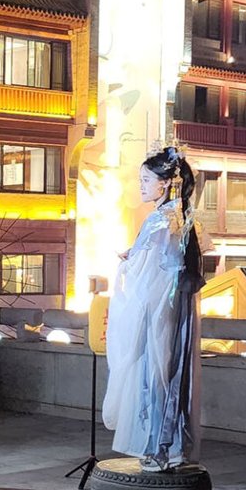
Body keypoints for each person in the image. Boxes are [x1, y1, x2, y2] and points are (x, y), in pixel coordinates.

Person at [100, 146, 206, 470]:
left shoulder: (165, 219)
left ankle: (162, 447)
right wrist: (135, 255)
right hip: (164, 307)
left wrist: (130, 265)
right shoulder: (175, 217)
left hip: (161, 309)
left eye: (146, 180)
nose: (141, 186)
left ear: (165, 183)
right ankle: (162, 444)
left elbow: (163, 270)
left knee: (161, 375)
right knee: (161, 375)